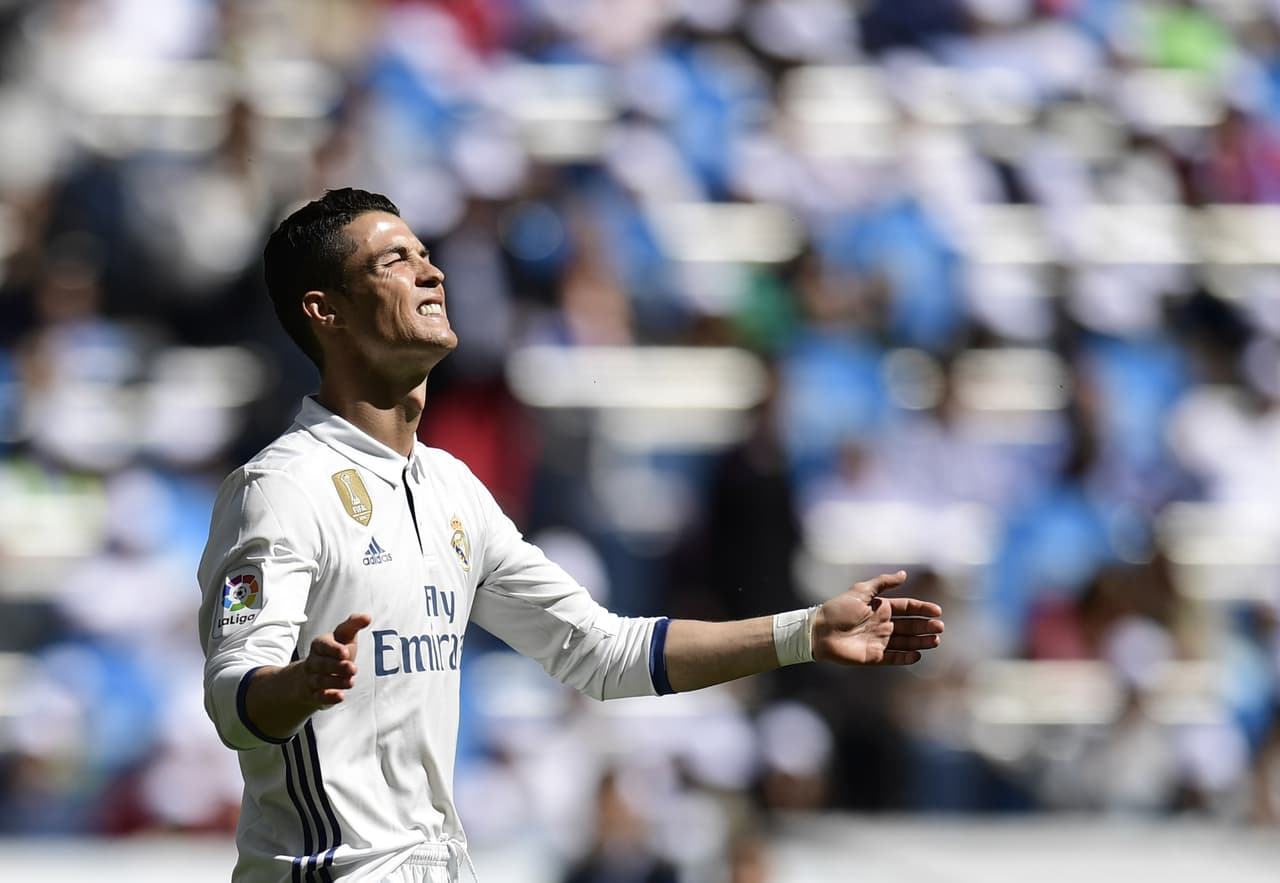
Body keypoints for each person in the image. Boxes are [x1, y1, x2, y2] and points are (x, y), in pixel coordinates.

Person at [197, 188, 945, 883]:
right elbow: (234, 699)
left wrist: (804, 631)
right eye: (394, 260)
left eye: (425, 254)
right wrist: (299, 685)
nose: (432, 272)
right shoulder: (282, 487)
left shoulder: (451, 488)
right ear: (325, 310)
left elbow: (601, 651)